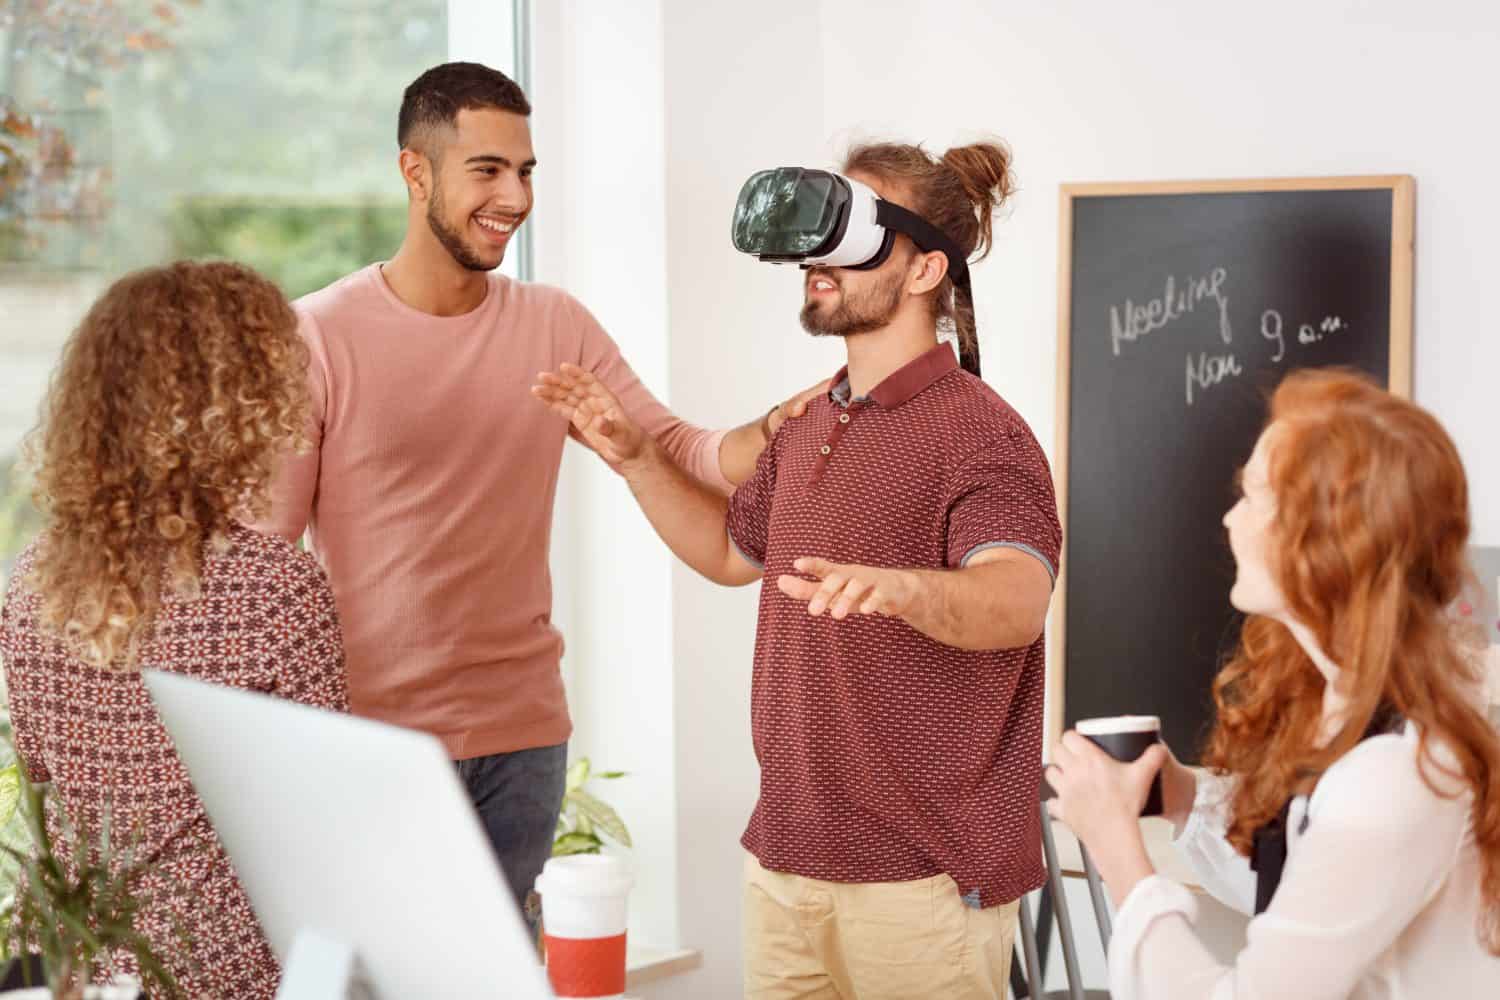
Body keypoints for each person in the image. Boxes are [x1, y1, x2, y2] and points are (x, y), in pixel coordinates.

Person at [251, 61, 823, 933]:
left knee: (496, 967)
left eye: (526, 173)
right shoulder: (317, 335)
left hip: (523, 740)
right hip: (377, 745)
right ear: (416, 173)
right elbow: (261, 561)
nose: (515, 197)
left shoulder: (553, 323)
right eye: (487, 170)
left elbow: (682, 450)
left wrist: (784, 420)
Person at [534, 139, 1059, 998]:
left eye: (852, 232)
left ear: (927, 269)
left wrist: (903, 588)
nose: (818, 258)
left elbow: (1017, 600)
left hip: (921, 883)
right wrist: (637, 461)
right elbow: (730, 555)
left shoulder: (981, 433)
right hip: (785, 862)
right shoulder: (813, 420)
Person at [1046, 369, 1500, 998]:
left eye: (1254, 496)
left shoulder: (1397, 774)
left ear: (1327, 541)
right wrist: (1181, 797)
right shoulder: (1355, 709)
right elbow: (1307, 895)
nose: (1231, 519)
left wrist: (1117, 850)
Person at [0, 261, 350, 998]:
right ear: (241, 405)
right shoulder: (275, 589)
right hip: (226, 965)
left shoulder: (30, 581)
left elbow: (41, 787)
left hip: (75, 958)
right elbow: (321, 830)